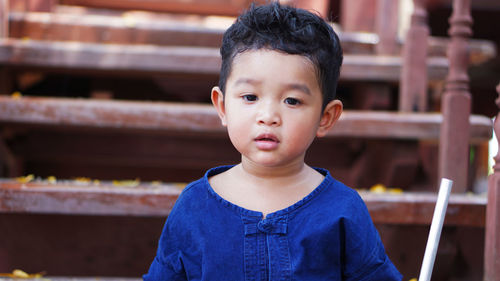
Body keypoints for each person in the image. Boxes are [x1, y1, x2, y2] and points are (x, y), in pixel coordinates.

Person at [143, 2, 402, 280]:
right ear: (222, 106)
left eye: (292, 100)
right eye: (250, 97)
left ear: (326, 117)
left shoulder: (342, 210)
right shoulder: (194, 206)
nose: (268, 116)